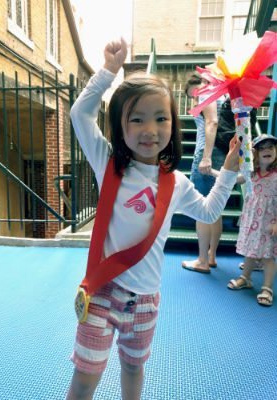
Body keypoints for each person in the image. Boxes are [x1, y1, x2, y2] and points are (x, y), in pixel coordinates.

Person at [67, 38, 241, 400]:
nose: (150, 129)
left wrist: (226, 173)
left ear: (173, 124)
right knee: (86, 378)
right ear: (120, 127)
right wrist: (109, 71)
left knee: (134, 368)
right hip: (102, 292)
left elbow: (208, 211)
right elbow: (79, 115)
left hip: (146, 300)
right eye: (137, 119)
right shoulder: (109, 163)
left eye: (161, 118)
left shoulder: (175, 184)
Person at [181, 73, 227, 273]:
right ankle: (211, 256)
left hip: (207, 153)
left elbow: (212, 122)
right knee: (215, 209)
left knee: (201, 207)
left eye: (191, 94)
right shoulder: (222, 94)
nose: (193, 98)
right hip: (222, 152)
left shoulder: (205, 91)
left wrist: (206, 156)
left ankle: (201, 260)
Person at [226, 134, 277, 306]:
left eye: (271, 147)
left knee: (268, 256)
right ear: (255, 154)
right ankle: (246, 278)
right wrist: (214, 172)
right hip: (252, 221)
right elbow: (232, 179)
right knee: (250, 251)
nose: (267, 150)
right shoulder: (251, 173)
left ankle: (267, 287)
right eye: (262, 148)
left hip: (269, 222)